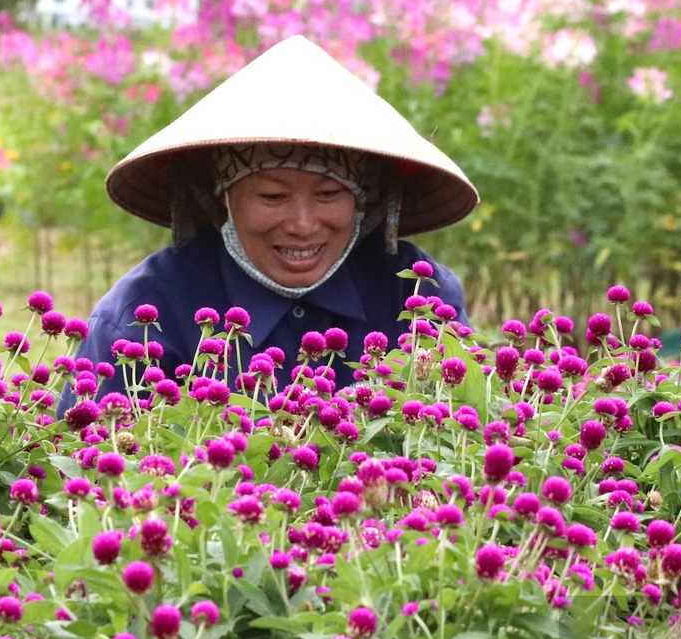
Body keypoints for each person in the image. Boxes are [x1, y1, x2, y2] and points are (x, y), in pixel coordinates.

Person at [69, 35, 477, 397]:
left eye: (329, 194)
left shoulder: (420, 299)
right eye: (272, 195)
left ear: (363, 199)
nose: (302, 224)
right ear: (224, 198)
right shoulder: (145, 320)